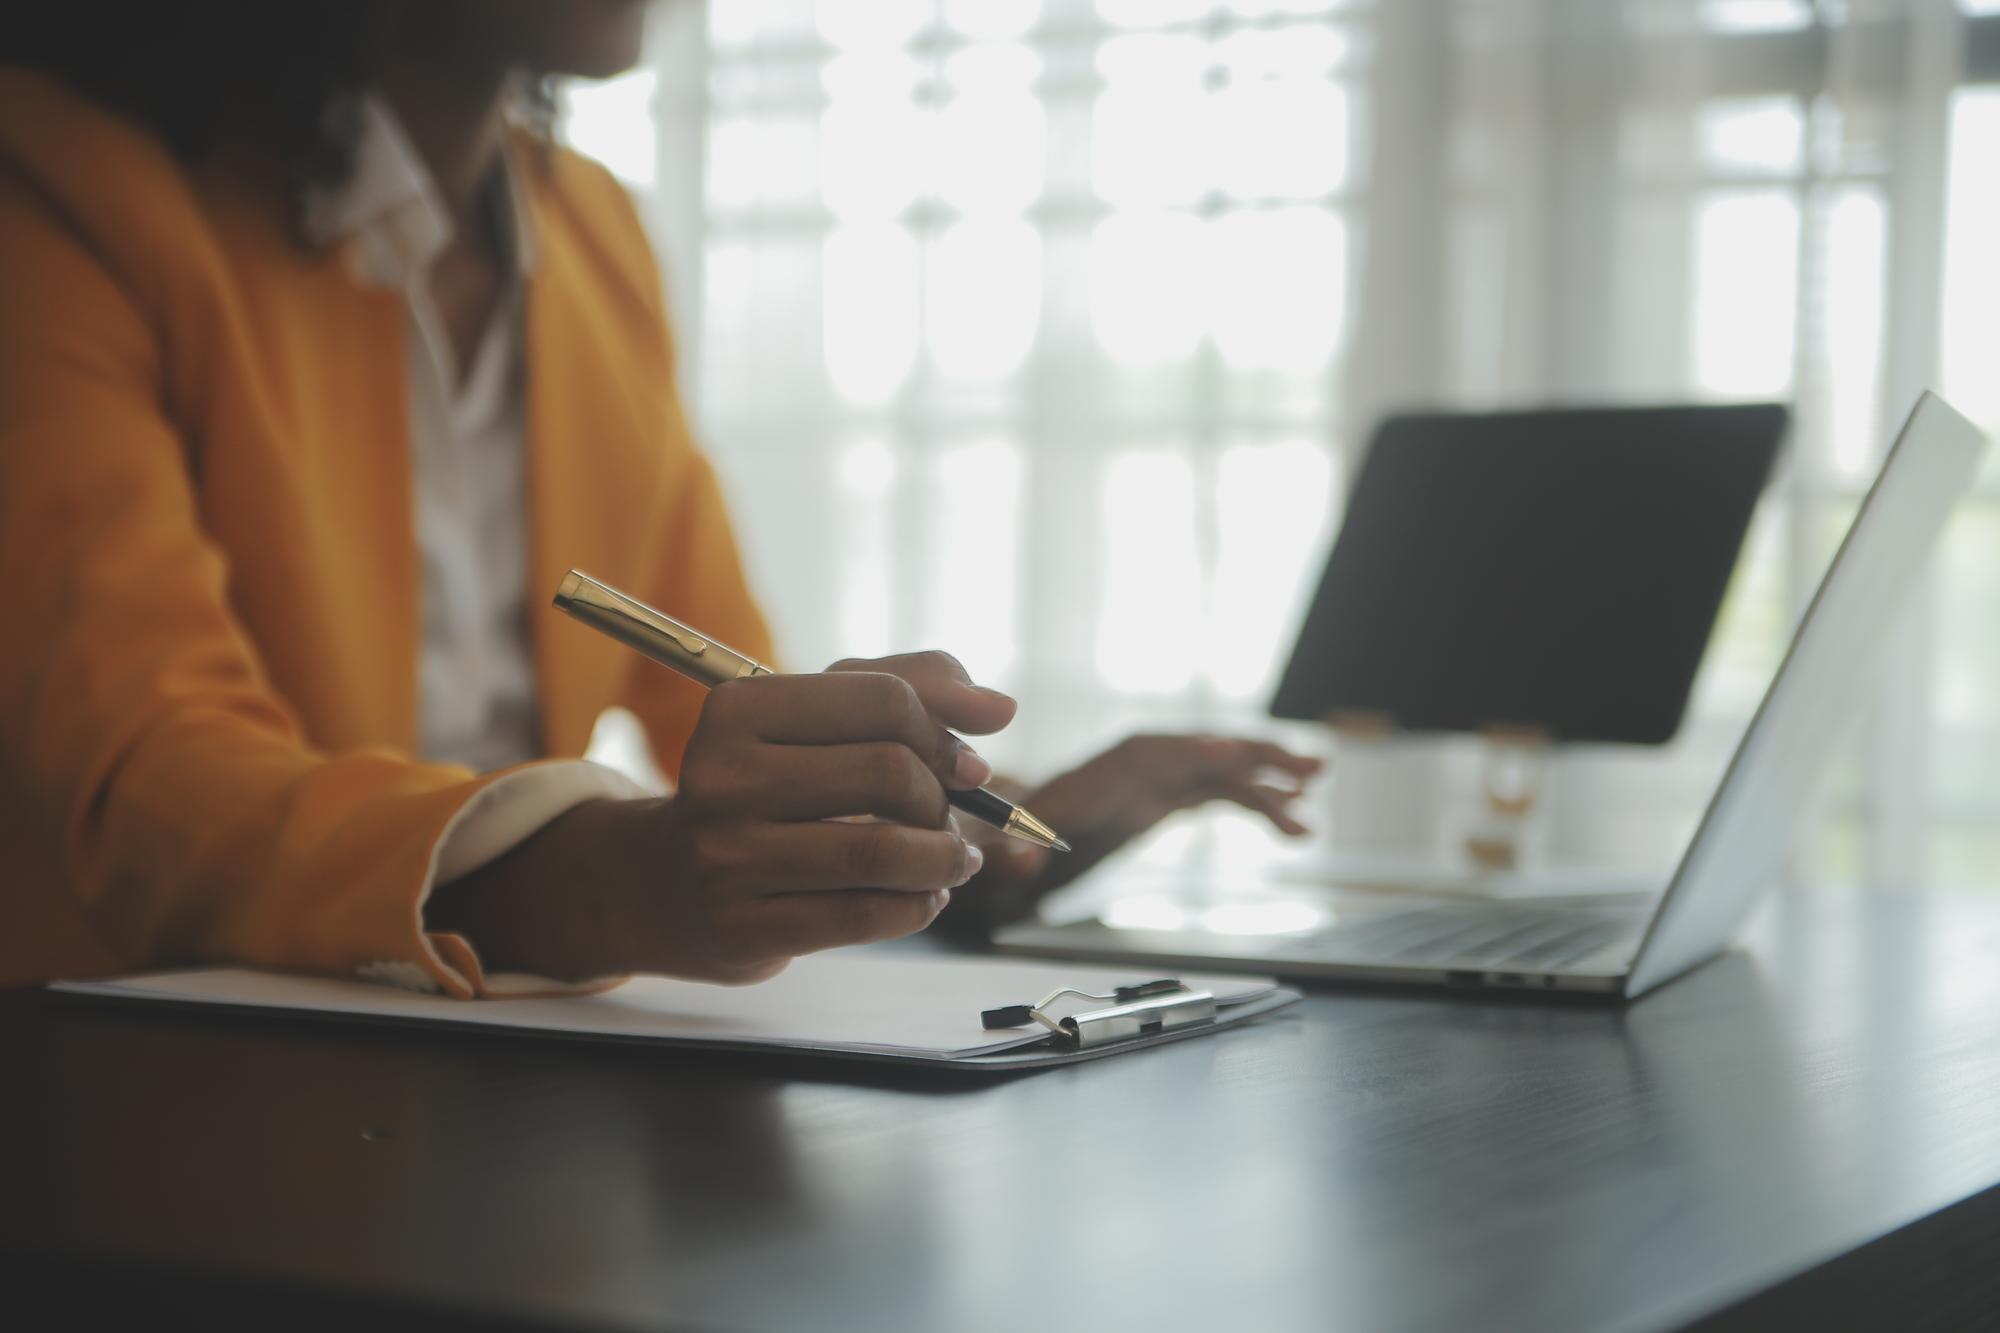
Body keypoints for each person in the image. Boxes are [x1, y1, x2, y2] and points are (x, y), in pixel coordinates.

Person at [0, 0, 1321, 996]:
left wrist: (978, 815)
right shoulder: (60, 191)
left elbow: (728, 688)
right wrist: (634, 885)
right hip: (140, 1086)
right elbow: (153, 792)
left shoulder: (592, 236)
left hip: (490, 1075)